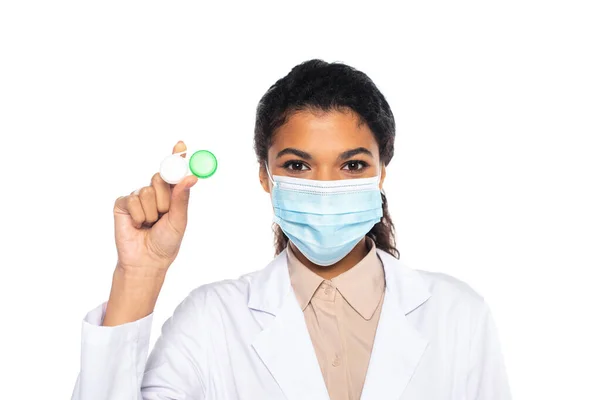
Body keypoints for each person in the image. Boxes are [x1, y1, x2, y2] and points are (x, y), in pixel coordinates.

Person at [71, 59, 511, 400]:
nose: (323, 187)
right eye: (297, 165)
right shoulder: (210, 320)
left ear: (381, 173)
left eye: (352, 165)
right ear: (265, 176)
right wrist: (140, 276)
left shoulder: (459, 316)